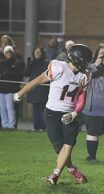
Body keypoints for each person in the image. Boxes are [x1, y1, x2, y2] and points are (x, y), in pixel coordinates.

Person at [13, 44, 93, 185]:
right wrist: (21, 93)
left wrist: (75, 112)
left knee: (68, 146)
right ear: (76, 59)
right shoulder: (58, 67)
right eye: (85, 61)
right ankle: (72, 169)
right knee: (59, 147)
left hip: (69, 114)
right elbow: (37, 80)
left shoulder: (85, 76)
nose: (87, 64)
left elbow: (82, 97)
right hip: (52, 113)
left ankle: (55, 175)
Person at [24, 47, 49, 131]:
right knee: (35, 109)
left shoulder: (45, 62)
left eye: (39, 52)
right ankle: (36, 127)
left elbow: (46, 74)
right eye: (36, 52)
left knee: (42, 109)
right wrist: (29, 63)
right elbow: (26, 74)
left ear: (42, 53)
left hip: (42, 89)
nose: (37, 53)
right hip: (34, 89)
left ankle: (42, 127)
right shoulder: (32, 63)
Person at [0, 45, 24, 128]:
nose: (8, 54)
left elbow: (18, 75)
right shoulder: (1, 63)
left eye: (10, 52)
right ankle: (4, 124)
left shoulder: (16, 62)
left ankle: (11, 125)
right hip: (2, 89)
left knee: (10, 107)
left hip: (11, 89)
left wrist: (8, 73)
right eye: (7, 52)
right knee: (2, 108)